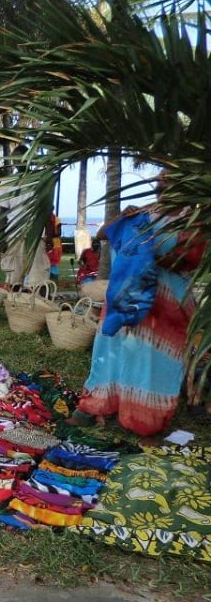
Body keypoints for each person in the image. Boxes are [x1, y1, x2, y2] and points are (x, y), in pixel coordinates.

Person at [68, 175, 205, 438]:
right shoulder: (143, 214)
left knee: (152, 363)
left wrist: (146, 253)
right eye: (160, 188)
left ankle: (145, 420)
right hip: (124, 300)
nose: (162, 193)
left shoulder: (191, 223)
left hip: (165, 310)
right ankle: (93, 406)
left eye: (169, 188)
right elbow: (102, 234)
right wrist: (121, 217)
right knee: (111, 353)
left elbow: (193, 259)